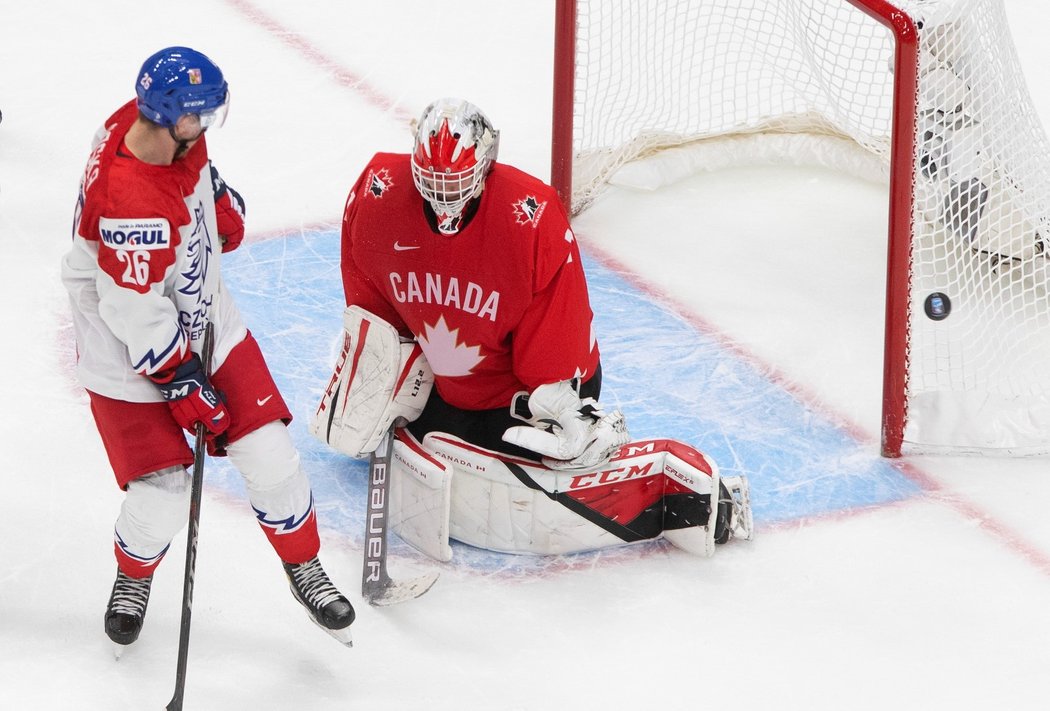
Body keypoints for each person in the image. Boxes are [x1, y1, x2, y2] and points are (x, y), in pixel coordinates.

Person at [315, 98, 750, 561]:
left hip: (525, 392)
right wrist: (385, 364)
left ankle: (689, 495)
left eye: (456, 179)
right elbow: (372, 298)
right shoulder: (377, 195)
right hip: (448, 387)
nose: (443, 195)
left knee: (522, 489)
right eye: (432, 180)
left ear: (485, 167)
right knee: (371, 438)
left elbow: (556, 331)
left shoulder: (529, 218)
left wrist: (560, 402)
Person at [61, 46, 354, 648]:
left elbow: (191, 174)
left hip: (200, 310)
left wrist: (211, 196)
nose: (208, 127)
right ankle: (133, 577)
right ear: (175, 117)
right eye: (202, 117)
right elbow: (130, 308)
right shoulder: (132, 205)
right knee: (163, 492)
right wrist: (180, 379)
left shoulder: (152, 128)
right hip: (126, 348)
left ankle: (303, 566)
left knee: (271, 453)